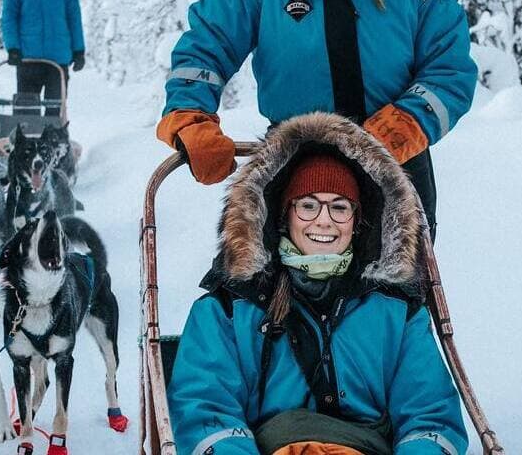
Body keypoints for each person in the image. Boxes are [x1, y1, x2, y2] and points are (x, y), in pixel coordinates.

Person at [156, 0, 477, 234]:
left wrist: (405, 125)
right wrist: (192, 116)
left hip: (394, 161)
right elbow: (206, 46)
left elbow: (449, 71)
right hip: (292, 155)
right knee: (258, 280)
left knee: (399, 285)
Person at [167, 112, 468, 455]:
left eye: (339, 207)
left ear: (357, 221)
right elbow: (207, 410)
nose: (324, 221)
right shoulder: (227, 310)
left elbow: (430, 416)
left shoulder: (397, 311)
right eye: (308, 206)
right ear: (284, 216)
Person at [1, 0, 85, 116]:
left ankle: (55, 141)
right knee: (26, 110)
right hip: (28, 59)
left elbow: (74, 19)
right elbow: (9, 18)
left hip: (58, 59)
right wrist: (13, 47)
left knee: (55, 109)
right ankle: (26, 143)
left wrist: (78, 51)